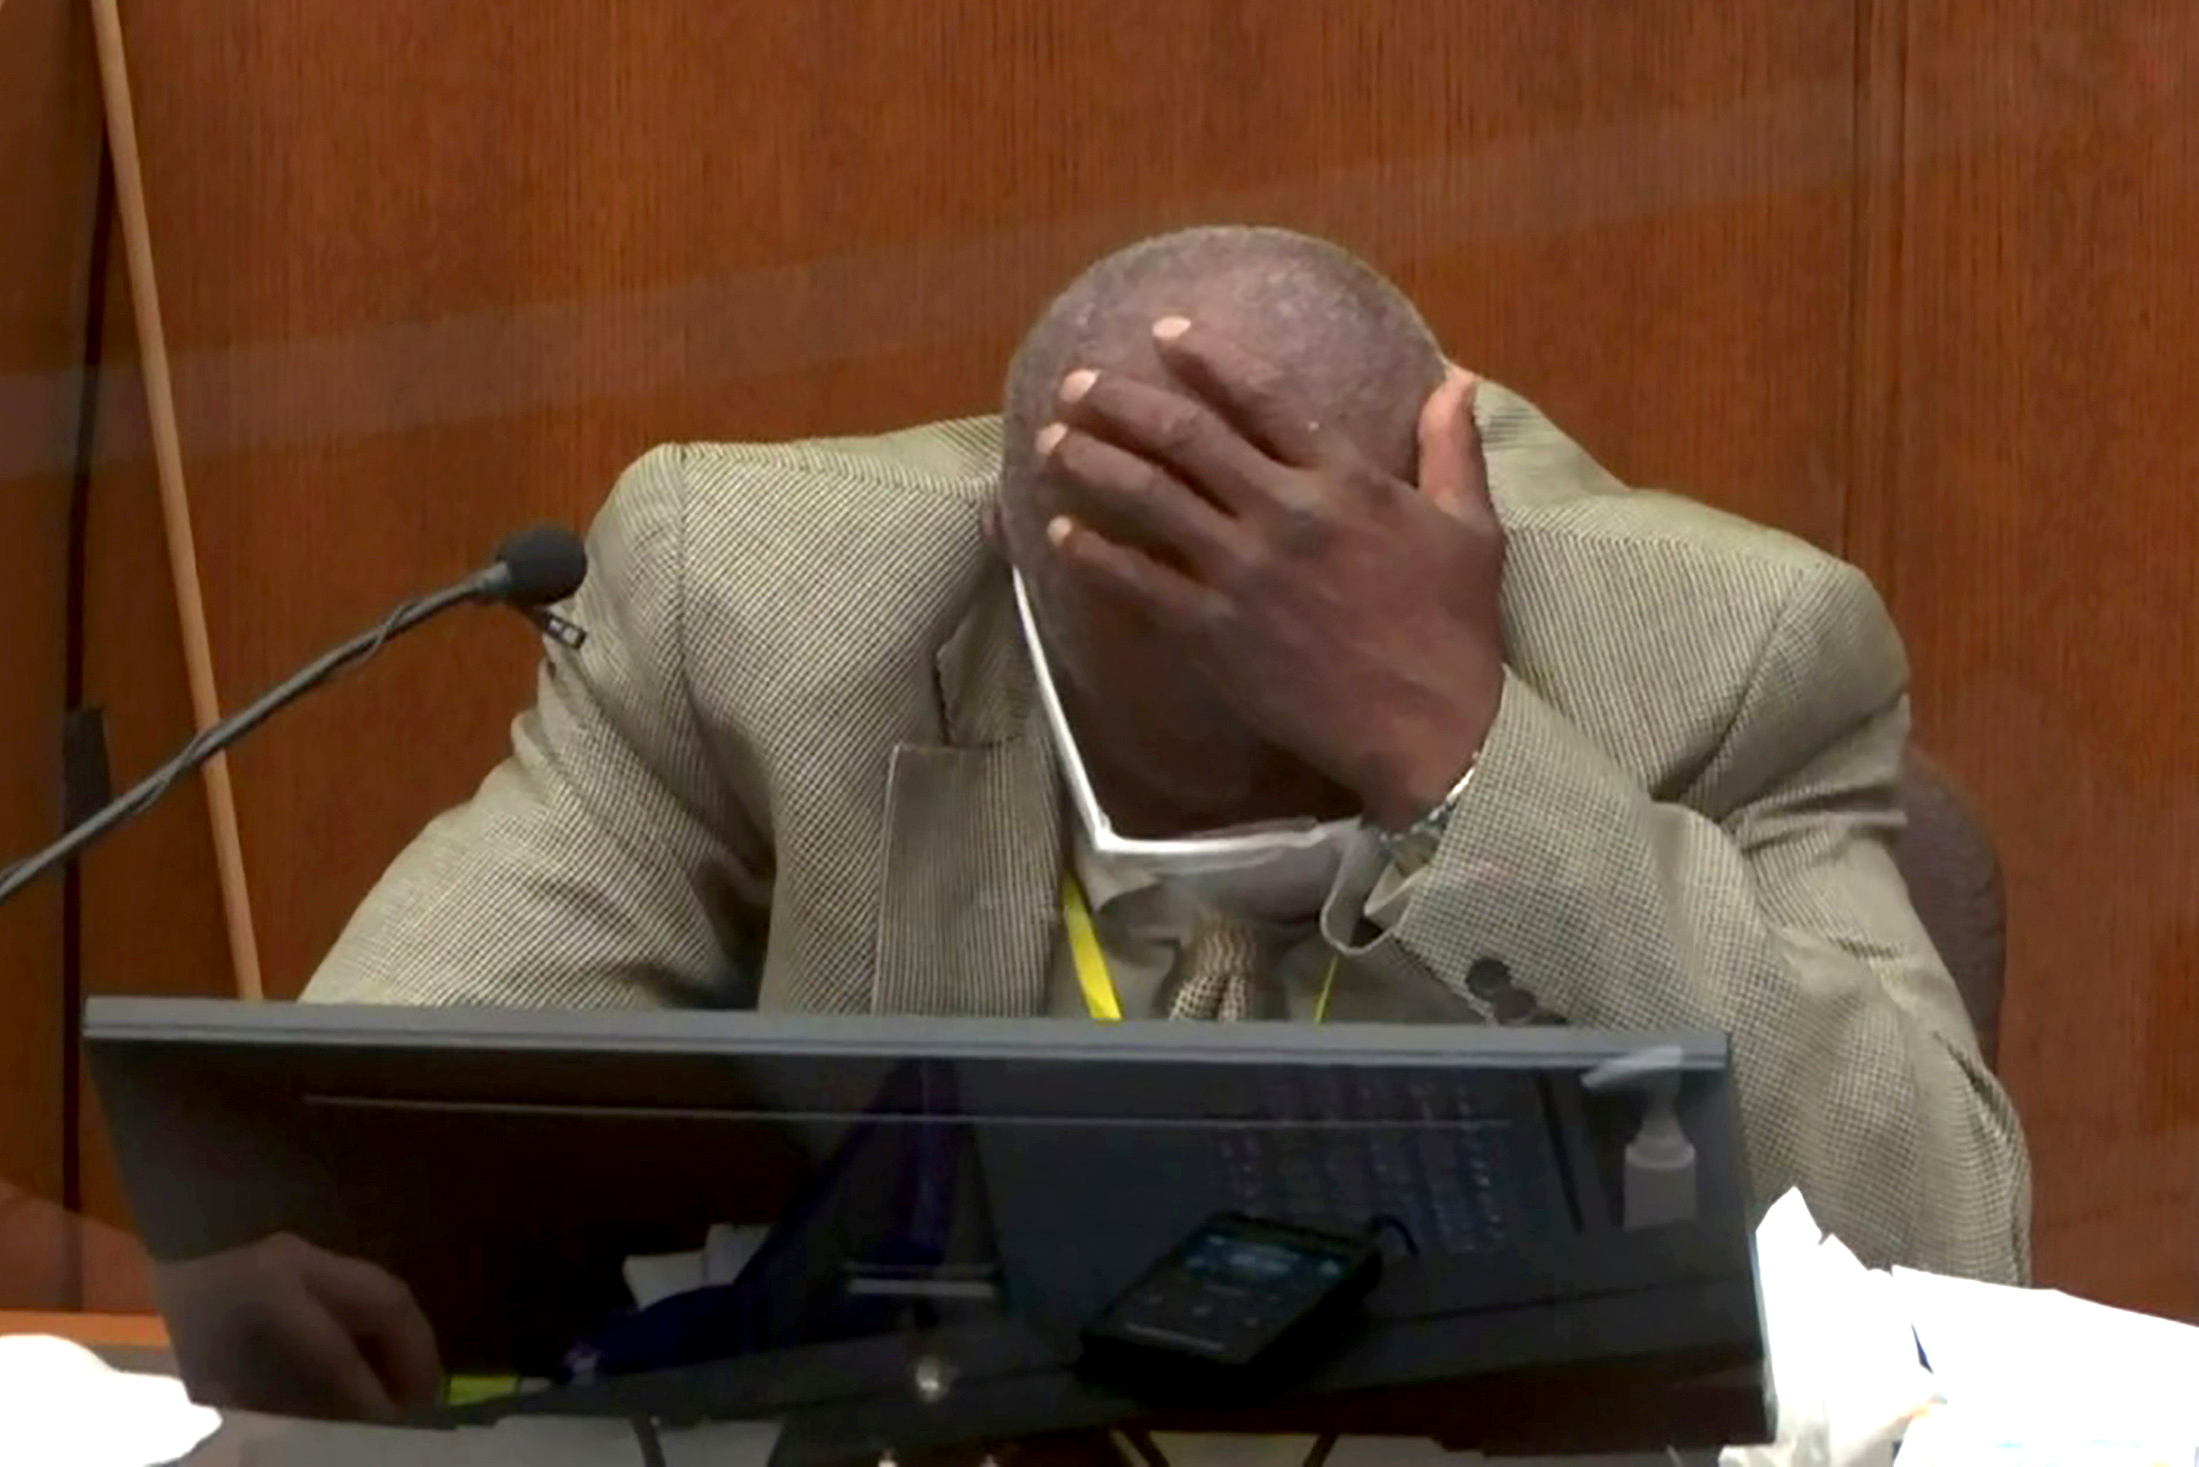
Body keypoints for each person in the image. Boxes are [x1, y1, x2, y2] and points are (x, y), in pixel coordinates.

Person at [305, 226, 2030, 1285]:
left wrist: (1460, 753)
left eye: (1283, 705)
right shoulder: (759, 602)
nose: (1230, 753)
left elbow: (1949, 1246)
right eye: (1169, 684)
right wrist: (315, 1256)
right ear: (1005, 536)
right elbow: (353, 1145)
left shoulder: (1724, 650)